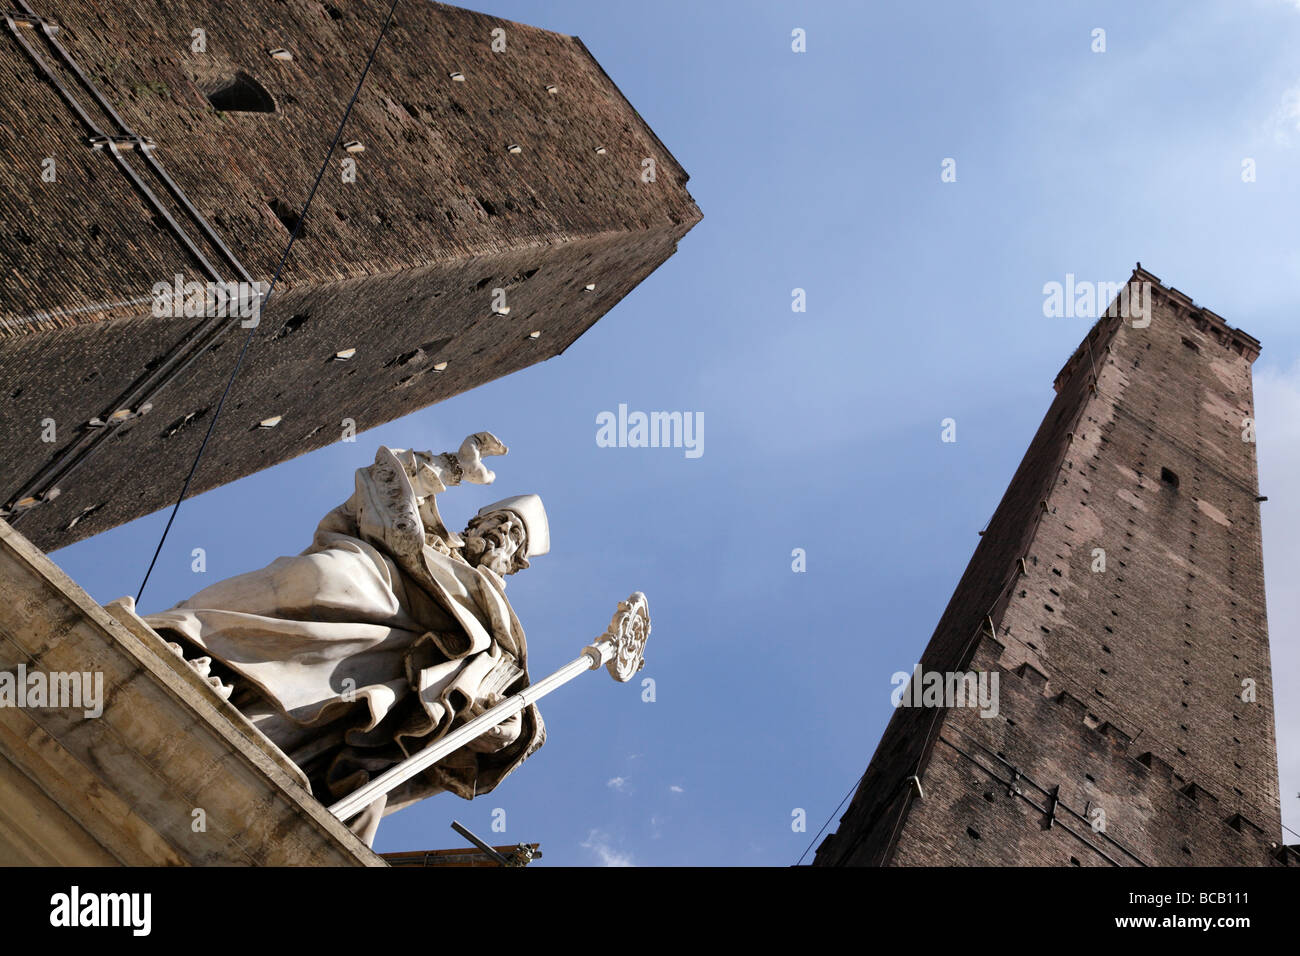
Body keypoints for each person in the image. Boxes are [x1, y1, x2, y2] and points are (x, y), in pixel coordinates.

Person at [145, 433, 547, 845]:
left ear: (517, 563)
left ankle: (266, 712)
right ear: (475, 522)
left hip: (413, 661)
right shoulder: (435, 536)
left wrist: (505, 724)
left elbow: (504, 698)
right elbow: (379, 494)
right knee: (329, 575)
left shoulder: (499, 625)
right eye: (497, 521)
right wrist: (453, 467)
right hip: (379, 576)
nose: (501, 532)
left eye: (514, 534)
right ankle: (195, 643)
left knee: (373, 649)